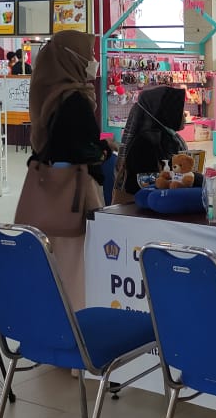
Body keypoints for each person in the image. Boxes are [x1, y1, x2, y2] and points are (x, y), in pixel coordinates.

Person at [25, 30, 109, 311]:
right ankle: (76, 319)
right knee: (76, 265)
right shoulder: (74, 99)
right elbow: (79, 148)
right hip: (76, 195)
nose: (93, 60)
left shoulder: (49, 93)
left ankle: (55, 316)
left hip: (52, 192)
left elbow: (55, 143)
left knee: (58, 261)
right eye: (89, 54)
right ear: (72, 58)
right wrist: (103, 151)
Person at [111, 86, 196, 204]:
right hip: (142, 208)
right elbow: (147, 186)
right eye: (179, 109)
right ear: (165, 112)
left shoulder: (169, 139)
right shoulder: (144, 144)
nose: (184, 115)